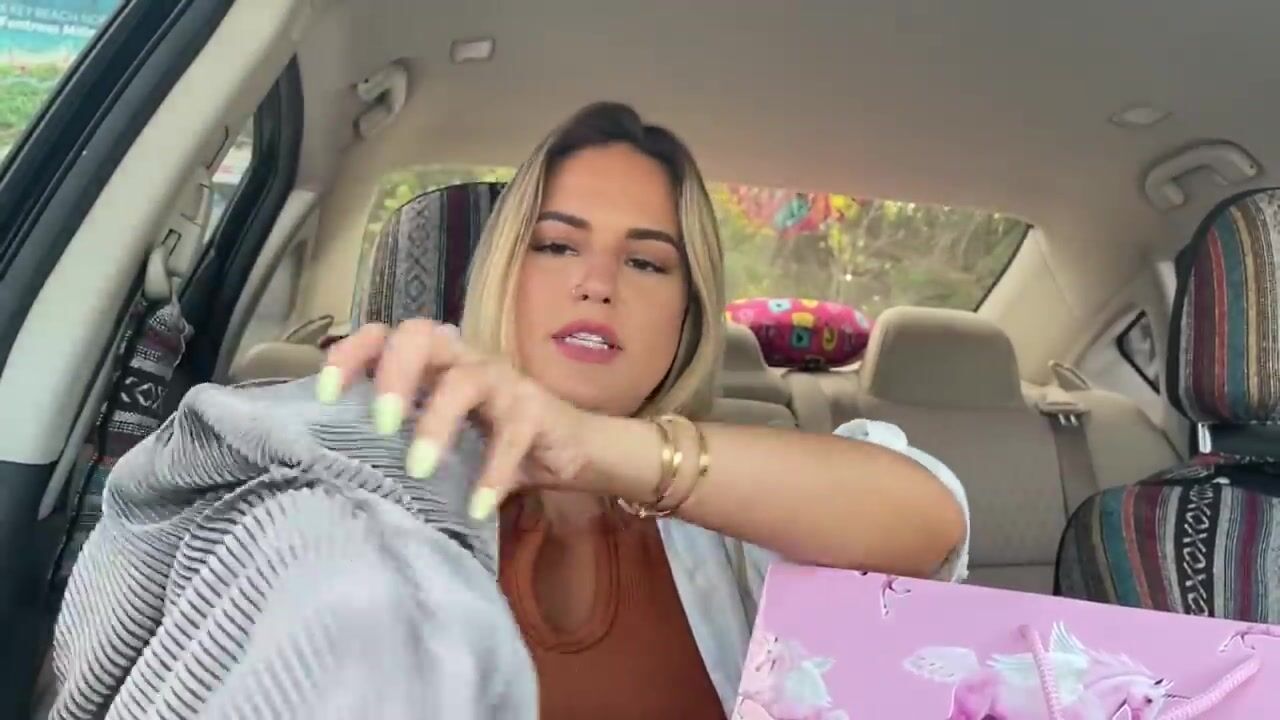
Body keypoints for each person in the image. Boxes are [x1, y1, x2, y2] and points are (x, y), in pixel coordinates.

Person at [317, 102, 968, 719]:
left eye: (645, 262)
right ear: (502, 273)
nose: (597, 284)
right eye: (557, 246)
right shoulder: (380, 462)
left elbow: (930, 521)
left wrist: (588, 445)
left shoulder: (739, 512)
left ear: (688, 315)